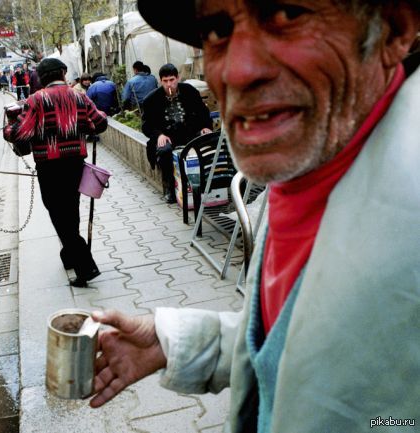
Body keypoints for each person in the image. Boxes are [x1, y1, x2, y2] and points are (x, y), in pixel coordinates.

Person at [90, 1, 420, 432]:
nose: (235, 71)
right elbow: (303, 346)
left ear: (394, 29)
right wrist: (172, 343)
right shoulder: (311, 162)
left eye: (286, 14)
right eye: (216, 29)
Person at [4, 58, 108, 287]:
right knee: (70, 210)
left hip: (49, 166)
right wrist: (83, 125)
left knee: (58, 213)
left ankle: (85, 266)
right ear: (63, 72)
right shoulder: (79, 95)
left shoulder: (36, 100)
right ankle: (69, 256)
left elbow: (20, 134)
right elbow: (99, 123)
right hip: (75, 163)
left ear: (41, 78)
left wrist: (8, 126)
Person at [141, 63, 212, 203]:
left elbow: (203, 113)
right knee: (164, 151)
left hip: (191, 132)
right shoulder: (151, 99)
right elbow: (146, 125)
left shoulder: (190, 91)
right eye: (165, 81)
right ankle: (168, 188)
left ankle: (207, 184)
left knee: (209, 143)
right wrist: (159, 135)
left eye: (172, 80)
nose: (169, 84)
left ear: (178, 78)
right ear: (160, 81)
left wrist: (205, 127)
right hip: (168, 136)